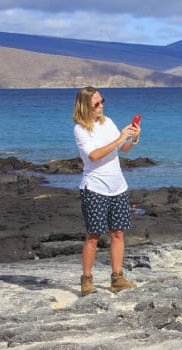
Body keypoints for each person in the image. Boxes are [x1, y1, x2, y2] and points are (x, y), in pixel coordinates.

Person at [73, 86, 141, 296]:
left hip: (117, 187)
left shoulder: (107, 122)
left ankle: (117, 278)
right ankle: (86, 280)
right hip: (94, 187)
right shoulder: (80, 129)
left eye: (102, 101)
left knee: (118, 233)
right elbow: (94, 156)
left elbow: (123, 150)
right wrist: (120, 138)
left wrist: (133, 138)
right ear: (85, 105)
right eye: (96, 103)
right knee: (93, 236)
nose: (101, 106)